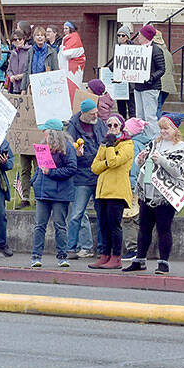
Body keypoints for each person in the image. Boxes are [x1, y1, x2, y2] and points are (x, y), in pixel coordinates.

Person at [124, 116, 184, 274]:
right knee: (144, 228)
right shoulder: (154, 143)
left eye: (167, 128)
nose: (163, 131)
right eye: (161, 128)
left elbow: (177, 170)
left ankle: (163, 262)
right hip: (147, 191)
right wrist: (140, 161)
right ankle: (140, 260)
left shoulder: (181, 146)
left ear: (175, 129)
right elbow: (144, 164)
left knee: (163, 229)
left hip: (166, 194)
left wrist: (161, 160)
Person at [88, 114, 133, 269]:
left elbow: (114, 162)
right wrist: (107, 155)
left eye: (115, 125)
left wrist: (108, 150)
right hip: (102, 191)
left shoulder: (127, 144)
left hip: (117, 191)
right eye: (109, 125)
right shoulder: (105, 143)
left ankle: (116, 257)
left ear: (121, 127)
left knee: (114, 225)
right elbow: (94, 167)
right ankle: (105, 255)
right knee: (103, 225)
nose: (112, 128)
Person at [30, 120, 77, 268]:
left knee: (60, 225)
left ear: (53, 133)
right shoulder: (43, 147)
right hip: (43, 191)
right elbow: (40, 168)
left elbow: (71, 168)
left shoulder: (67, 148)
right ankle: (36, 256)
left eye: (46, 130)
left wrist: (51, 172)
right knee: (39, 225)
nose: (43, 133)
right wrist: (34, 181)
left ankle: (62, 256)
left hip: (59, 193)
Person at [65, 99, 102, 260]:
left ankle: (102, 248)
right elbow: (68, 148)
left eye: (96, 112)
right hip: (81, 175)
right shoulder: (73, 126)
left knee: (102, 214)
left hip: (99, 173)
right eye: (93, 113)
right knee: (76, 213)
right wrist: (77, 154)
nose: (96, 115)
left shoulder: (99, 123)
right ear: (83, 114)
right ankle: (71, 247)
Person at [131, 25, 166, 125]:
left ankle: (153, 137)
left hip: (151, 87)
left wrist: (151, 78)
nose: (138, 36)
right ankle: (142, 137)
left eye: (140, 34)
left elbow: (162, 69)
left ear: (146, 36)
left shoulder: (155, 50)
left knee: (149, 116)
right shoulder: (138, 50)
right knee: (139, 115)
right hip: (138, 86)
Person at [4, 30, 30, 94]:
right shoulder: (13, 54)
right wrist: (11, 76)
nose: (18, 41)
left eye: (20, 39)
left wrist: (22, 76)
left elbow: (31, 69)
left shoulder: (29, 51)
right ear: (13, 42)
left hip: (26, 86)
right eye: (15, 39)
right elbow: (9, 70)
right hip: (14, 87)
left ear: (24, 39)